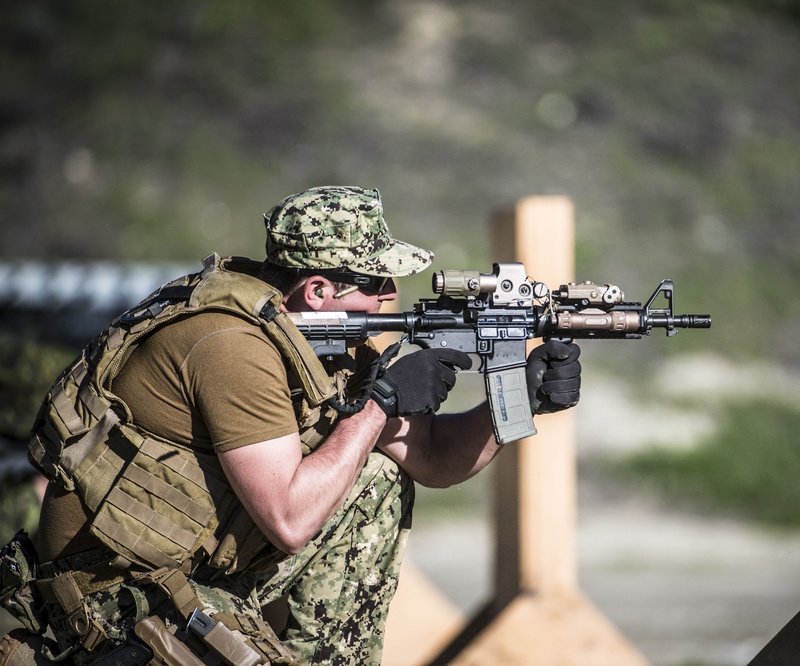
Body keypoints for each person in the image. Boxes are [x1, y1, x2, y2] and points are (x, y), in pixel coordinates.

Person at [0, 186, 582, 666]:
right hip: (110, 596)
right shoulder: (233, 347)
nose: (391, 297)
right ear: (319, 290)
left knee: (376, 474)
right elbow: (288, 519)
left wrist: (514, 406)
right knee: (355, 458)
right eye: (376, 284)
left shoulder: (318, 343)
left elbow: (426, 456)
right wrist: (381, 402)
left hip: (195, 568)